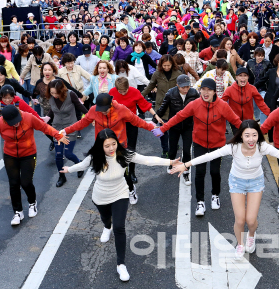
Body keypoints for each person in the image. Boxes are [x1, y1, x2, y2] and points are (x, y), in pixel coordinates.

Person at [171, 119, 279, 258]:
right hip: (237, 182)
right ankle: (240, 244)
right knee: (240, 219)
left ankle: (251, 236)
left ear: (258, 135)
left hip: (255, 183)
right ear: (241, 136)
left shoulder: (262, 147)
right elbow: (208, 156)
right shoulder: (233, 147)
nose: (251, 139)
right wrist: (185, 165)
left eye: (254, 135)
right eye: (247, 136)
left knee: (251, 221)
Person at [61, 129, 179, 282]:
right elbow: (82, 166)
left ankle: (121, 264)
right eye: (107, 146)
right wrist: (68, 169)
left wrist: (170, 162)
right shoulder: (95, 157)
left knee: (119, 227)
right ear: (100, 146)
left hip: (120, 194)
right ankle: (106, 226)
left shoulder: (124, 154)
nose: (111, 148)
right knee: (106, 220)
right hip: (100, 196)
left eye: (113, 144)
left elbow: (147, 160)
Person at [153, 78, 242, 216]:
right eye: (203, 90)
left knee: (214, 172)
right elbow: (179, 116)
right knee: (200, 172)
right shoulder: (195, 104)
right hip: (199, 143)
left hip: (217, 144)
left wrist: (250, 134)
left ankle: (215, 195)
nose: (205, 93)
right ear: (200, 90)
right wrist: (163, 129)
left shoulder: (223, 106)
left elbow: (236, 122)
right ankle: (200, 202)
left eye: (209, 90)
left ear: (214, 92)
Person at [0, 105, 66, 225]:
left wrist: (58, 135)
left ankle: (32, 203)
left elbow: (45, 128)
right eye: (12, 123)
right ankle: (18, 212)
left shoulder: (28, 117)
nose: (15, 124)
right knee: (14, 184)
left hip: (28, 154)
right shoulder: (0, 123)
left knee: (26, 182)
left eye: (17, 121)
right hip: (10, 155)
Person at [110, 77, 164, 198]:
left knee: (131, 148)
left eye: (125, 90)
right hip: (117, 124)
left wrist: (156, 115)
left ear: (128, 87)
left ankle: (132, 172)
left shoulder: (134, 92)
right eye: (120, 91)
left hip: (132, 122)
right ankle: (120, 173)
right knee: (118, 148)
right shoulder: (112, 92)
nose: (123, 93)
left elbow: (145, 105)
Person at [156, 74, 199, 186]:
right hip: (174, 126)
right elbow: (163, 108)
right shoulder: (171, 93)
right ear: (177, 85)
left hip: (188, 126)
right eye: (182, 87)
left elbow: (200, 108)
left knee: (186, 149)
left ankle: (186, 172)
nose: (185, 89)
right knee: (173, 148)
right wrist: (153, 121)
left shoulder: (194, 93)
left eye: (187, 87)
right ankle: (171, 163)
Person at [141, 55, 182, 157]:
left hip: (175, 105)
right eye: (164, 65)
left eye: (168, 65)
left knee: (173, 127)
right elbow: (150, 86)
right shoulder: (157, 74)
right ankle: (165, 150)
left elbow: (183, 88)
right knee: (162, 128)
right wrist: (140, 96)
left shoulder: (178, 74)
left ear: (172, 64)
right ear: (161, 65)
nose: (167, 67)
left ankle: (174, 144)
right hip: (161, 105)